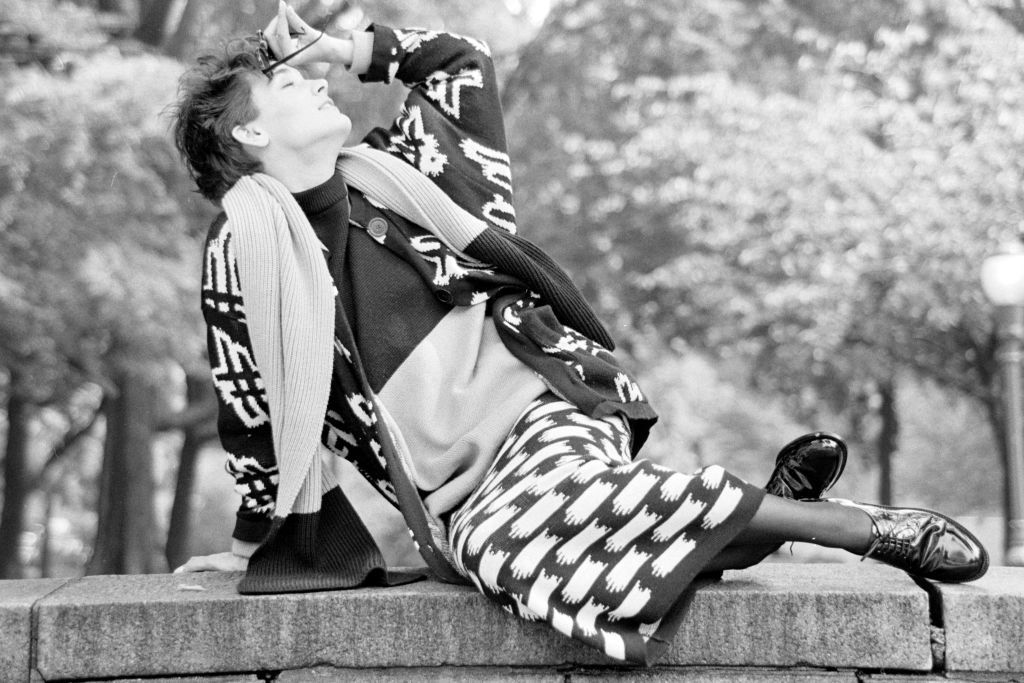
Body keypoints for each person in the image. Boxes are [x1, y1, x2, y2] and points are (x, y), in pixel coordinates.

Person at [170, 2, 988, 664]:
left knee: (544, 521)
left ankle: (865, 530)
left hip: (542, 409)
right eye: (285, 82)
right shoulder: (243, 255)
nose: (314, 85)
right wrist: (253, 540)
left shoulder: (413, 173)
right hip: (458, 490)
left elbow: (461, 63)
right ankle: (769, 508)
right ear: (248, 132)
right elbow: (252, 404)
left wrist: (345, 49)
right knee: (518, 555)